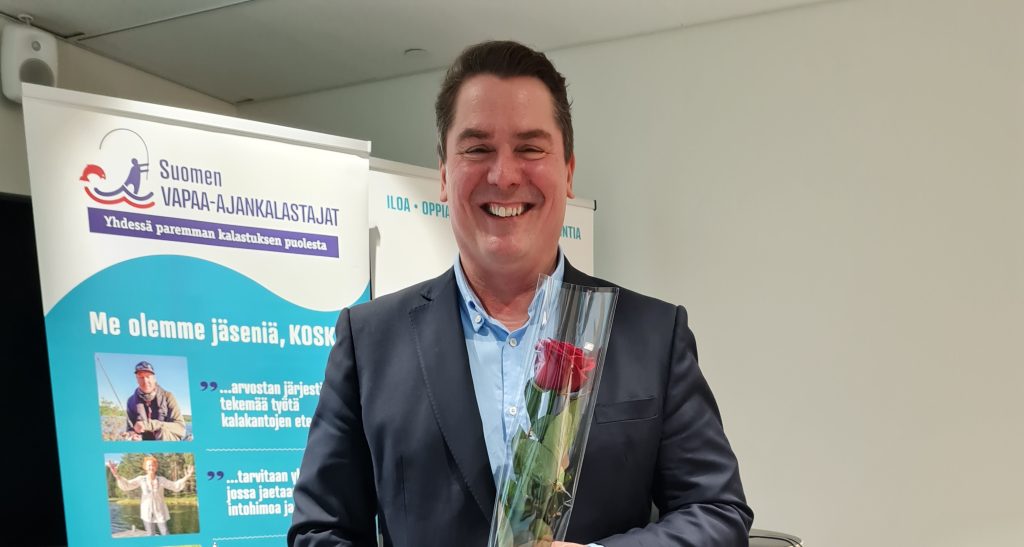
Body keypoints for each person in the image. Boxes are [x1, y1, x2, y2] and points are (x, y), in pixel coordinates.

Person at [290, 40, 753, 546]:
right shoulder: (371, 342)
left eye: (530, 148)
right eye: (477, 149)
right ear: (443, 174)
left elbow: (717, 511)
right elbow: (321, 531)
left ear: (568, 172)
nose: (504, 175)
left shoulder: (651, 334)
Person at [106, 456, 194, 536]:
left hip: (160, 511)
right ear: (145, 467)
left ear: (156, 467)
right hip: (146, 512)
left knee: (165, 532)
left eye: (153, 465)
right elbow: (128, 485)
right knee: (150, 534)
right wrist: (116, 475)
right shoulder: (141, 479)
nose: (151, 467)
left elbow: (174, 486)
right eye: (149, 465)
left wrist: (187, 476)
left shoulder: (161, 480)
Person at [125, 361, 187, 441]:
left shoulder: (168, 396)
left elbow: (181, 428)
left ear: (154, 379)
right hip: (145, 443)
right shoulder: (130, 401)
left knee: (163, 432)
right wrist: (132, 433)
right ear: (137, 380)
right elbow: (130, 428)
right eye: (141, 377)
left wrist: (150, 425)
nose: (145, 381)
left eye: (148, 376)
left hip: (167, 442)